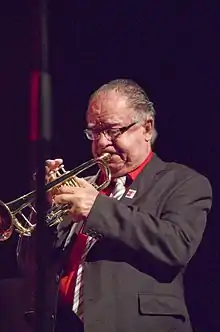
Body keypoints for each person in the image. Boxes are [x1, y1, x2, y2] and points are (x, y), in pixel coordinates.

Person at [18, 79, 212, 332]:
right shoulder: (82, 187)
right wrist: (42, 209)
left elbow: (178, 244)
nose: (101, 143)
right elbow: (30, 265)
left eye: (113, 130)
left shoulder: (182, 182)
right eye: (94, 132)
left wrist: (96, 208)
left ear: (146, 128)